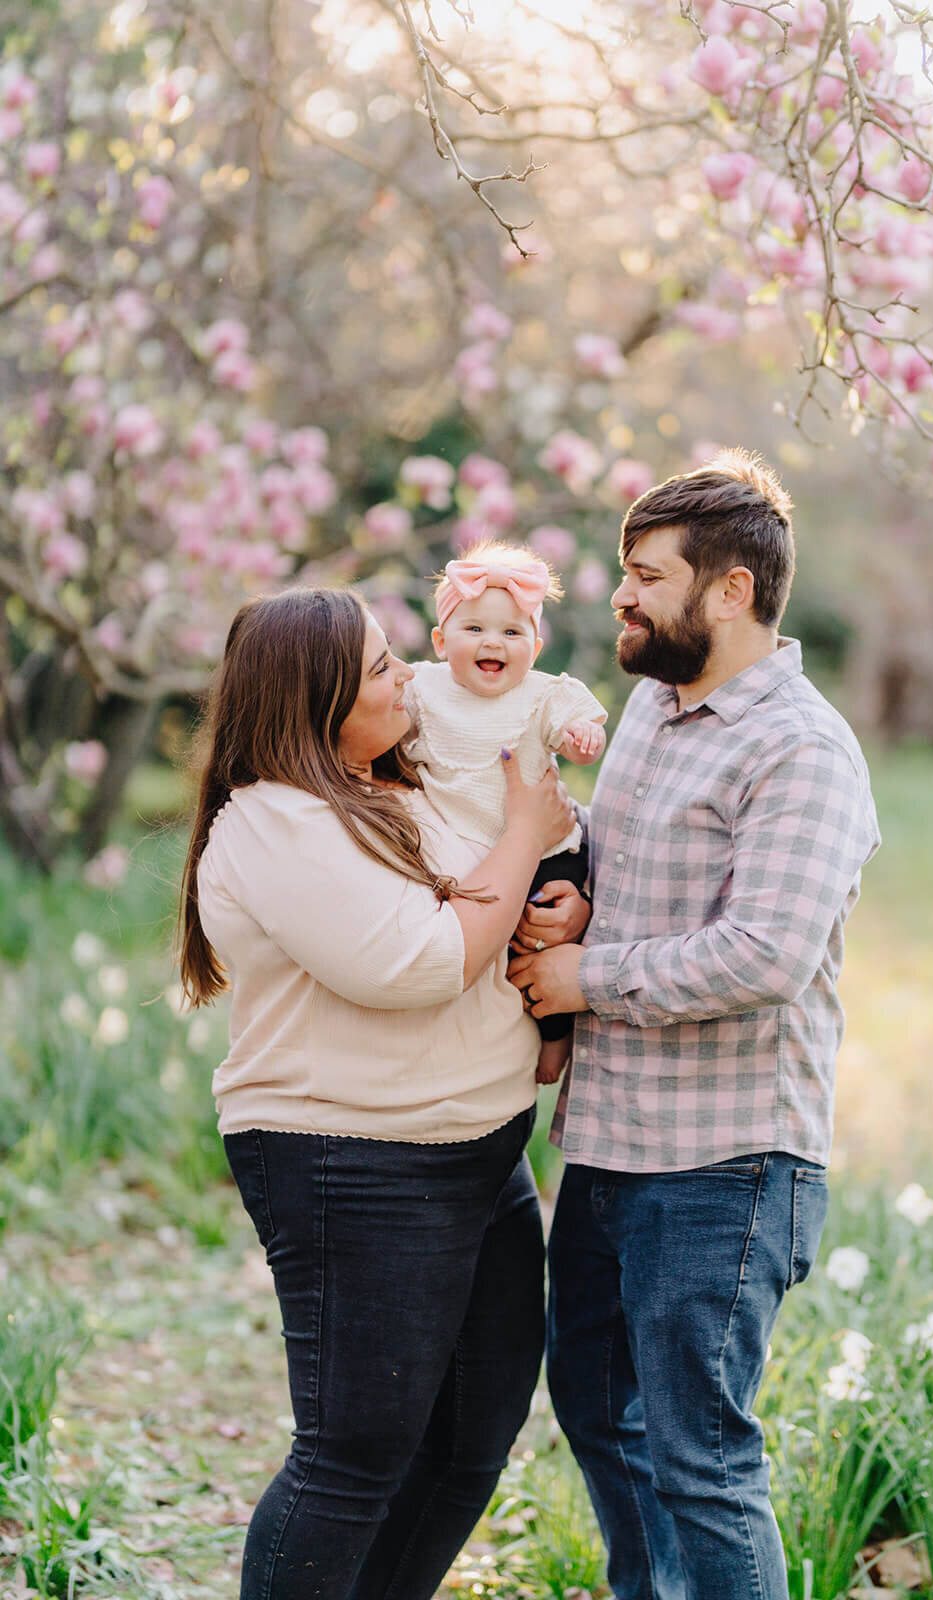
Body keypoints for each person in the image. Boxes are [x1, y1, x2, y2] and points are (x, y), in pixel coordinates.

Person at [509, 451, 881, 1600]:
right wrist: (571, 887)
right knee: (596, 1410)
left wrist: (583, 975)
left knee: (699, 1459)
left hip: (724, 1163)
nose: (619, 594)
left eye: (644, 574)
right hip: (611, 1143)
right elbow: (629, 876)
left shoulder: (799, 749)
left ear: (728, 591)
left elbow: (763, 953)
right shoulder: (652, 708)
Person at [177, 585, 575, 1600]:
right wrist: (525, 833)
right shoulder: (276, 821)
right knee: (355, 1451)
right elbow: (415, 962)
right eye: (382, 670)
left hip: (476, 1148)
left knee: (469, 1436)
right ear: (315, 706)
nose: (410, 679)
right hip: (354, 1161)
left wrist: (544, 912)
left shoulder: (390, 791)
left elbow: (476, 910)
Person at [407, 541, 607, 1086]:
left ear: (536, 648)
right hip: (461, 849)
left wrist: (581, 737)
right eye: (474, 629)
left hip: (543, 851)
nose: (493, 641)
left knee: (541, 943)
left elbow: (578, 726)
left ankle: (555, 1037)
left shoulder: (542, 696)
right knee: (474, 953)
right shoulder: (423, 688)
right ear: (440, 640)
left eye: (512, 633)